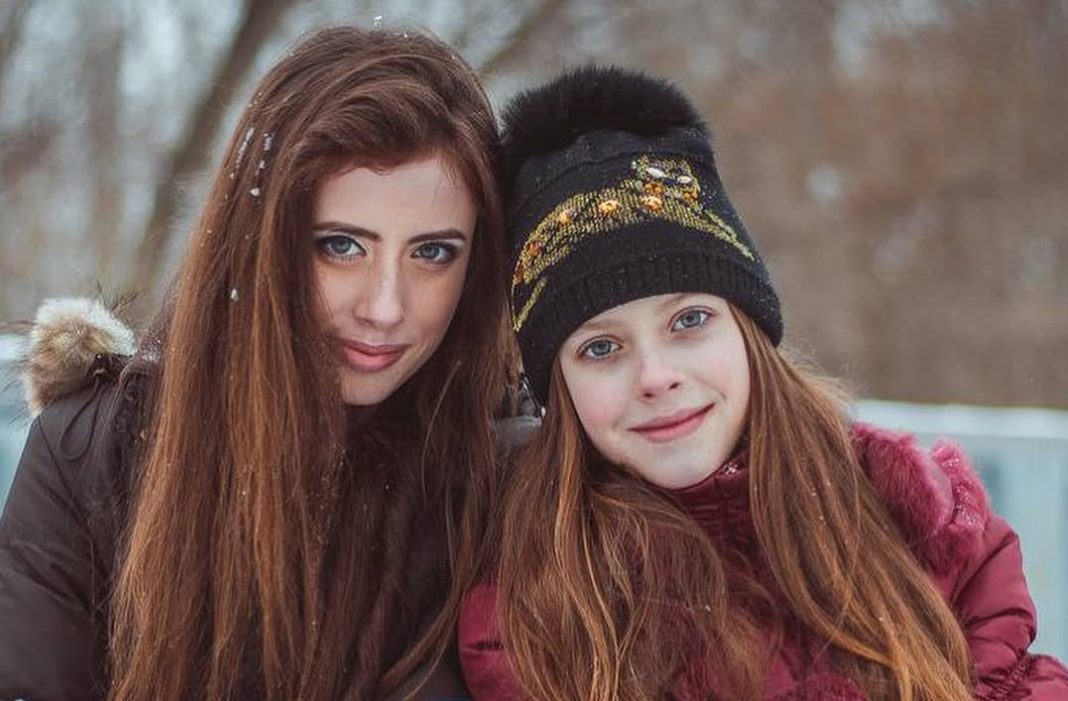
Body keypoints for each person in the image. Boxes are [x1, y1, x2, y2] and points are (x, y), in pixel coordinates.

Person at [457, 66, 1068, 700]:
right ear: (558, 388)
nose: (657, 377)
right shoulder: (531, 610)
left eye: (689, 320)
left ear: (747, 328)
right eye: (601, 348)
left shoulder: (921, 525)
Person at [0, 25, 513, 701]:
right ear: (261, 241)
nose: (386, 307)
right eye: (341, 246)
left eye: (432, 253)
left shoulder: (512, 484)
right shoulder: (93, 455)